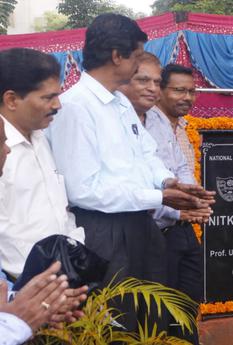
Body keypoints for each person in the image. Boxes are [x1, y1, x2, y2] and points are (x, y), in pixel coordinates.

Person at [45, 13, 210, 332]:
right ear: (117, 57)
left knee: (152, 322)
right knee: (118, 325)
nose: (141, 67)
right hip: (103, 233)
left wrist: (167, 181)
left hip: (140, 225)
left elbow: (146, 154)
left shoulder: (121, 104)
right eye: (136, 58)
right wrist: (159, 195)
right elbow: (84, 190)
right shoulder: (77, 107)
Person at [118, 56, 211, 344]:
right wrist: (178, 211)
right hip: (151, 233)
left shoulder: (165, 122)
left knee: (187, 303)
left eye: (156, 82)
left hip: (182, 231)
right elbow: (135, 185)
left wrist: (193, 198)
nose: (152, 89)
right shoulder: (123, 123)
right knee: (158, 312)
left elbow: (181, 167)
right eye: (145, 81)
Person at [0, 118, 87, 345]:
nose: (8, 151)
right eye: (1, 143)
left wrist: (34, 303)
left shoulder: (40, 140)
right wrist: (18, 320)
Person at [0, 48, 85, 280]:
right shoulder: (3, 150)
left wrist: (71, 259)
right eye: (48, 97)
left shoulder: (40, 137)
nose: (58, 105)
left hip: (61, 275)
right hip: (21, 287)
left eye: (58, 95)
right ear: (12, 100)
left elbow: (60, 210)